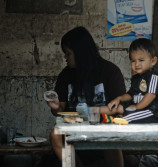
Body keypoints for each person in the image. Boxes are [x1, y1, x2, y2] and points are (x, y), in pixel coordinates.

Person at [47, 26, 126, 167]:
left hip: (103, 124)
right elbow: (60, 111)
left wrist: (91, 112)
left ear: (80, 53)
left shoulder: (110, 71)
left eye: (68, 53)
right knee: (55, 134)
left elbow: (119, 109)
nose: (65, 57)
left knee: (110, 133)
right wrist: (55, 107)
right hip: (75, 127)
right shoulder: (66, 75)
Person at [100, 38, 158, 123]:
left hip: (151, 112)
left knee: (127, 116)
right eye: (133, 61)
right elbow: (131, 94)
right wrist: (119, 98)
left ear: (153, 61)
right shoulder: (136, 78)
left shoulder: (154, 77)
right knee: (117, 107)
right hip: (138, 109)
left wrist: (136, 107)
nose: (137, 64)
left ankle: (111, 119)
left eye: (141, 60)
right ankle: (92, 111)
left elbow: (150, 96)